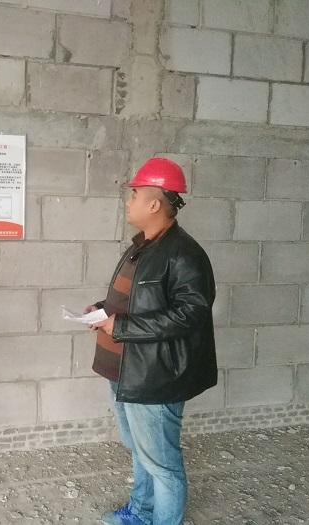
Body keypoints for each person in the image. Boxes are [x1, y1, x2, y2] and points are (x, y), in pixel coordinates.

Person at [87, 157, 218, 525]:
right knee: (140, 452)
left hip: (153, 376)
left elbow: (190, 314)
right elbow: (135, 301)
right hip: (125, 370)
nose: (128, 202)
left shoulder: (184, 253)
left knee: (163, 464)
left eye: (134, 195)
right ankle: (141, 513)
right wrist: (101, 311)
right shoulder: (142, 246)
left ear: (155, 204)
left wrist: (121, 326)